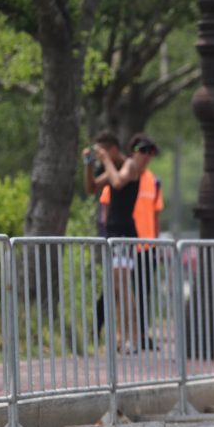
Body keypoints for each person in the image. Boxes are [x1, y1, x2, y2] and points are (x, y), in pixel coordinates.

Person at [83, 130, 150, 353]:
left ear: (113, 149)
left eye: (104, 151)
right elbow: (92, 187)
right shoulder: (114, 168)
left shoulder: (130, 165)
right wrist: (89, 165)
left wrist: (105, 160)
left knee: (123, 285)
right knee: (115, 288)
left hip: (123, 232)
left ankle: (131, 337)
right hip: (112, 232)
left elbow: (118, 182)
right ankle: (120, 337)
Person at [100, 134, 163, 350]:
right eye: (143, 150)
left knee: (135, 291)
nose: (147, 156)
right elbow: (107, 203)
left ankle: (135, 336)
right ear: (133, 150)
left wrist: (157, 245)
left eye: (151, 152)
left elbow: (156, 215)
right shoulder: (123, 172)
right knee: (121, 288)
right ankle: (123, 335)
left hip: (141, 243)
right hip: (123, 236)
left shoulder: (150, 179)